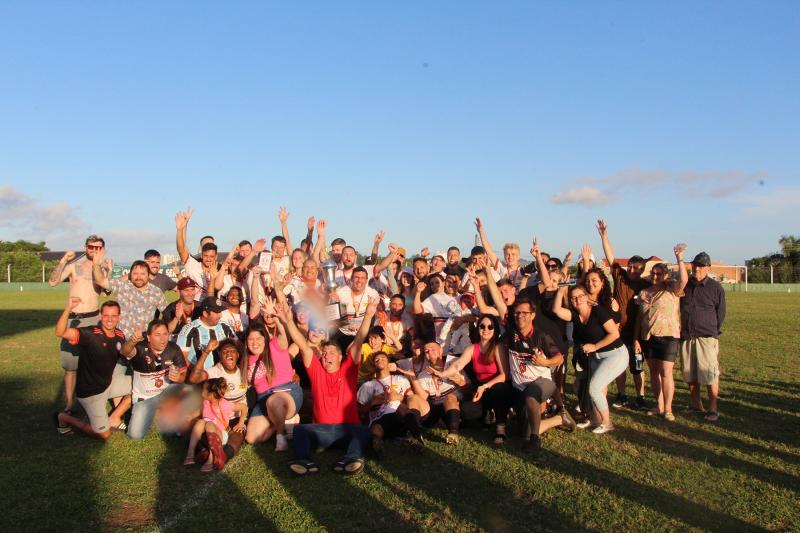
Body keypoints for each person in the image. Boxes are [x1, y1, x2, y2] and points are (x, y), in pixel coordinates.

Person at [277, 298, 377, 476]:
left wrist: (368, 314)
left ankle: (351, 459)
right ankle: (304, 462)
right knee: (300, 430)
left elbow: (360, 338)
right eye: (324, 353)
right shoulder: (317, 370)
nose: (326, 356)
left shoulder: (349, 369)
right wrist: (288, 321)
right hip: (321, 431)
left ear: (340, 358)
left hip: (347, 430)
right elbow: (302, 343)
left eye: (331, 353)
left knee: (363, 431)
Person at [48, 234, 111, 414]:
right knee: (70, 366)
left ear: (103, 249)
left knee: (95, 363)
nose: (94, 250)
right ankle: (69, 404)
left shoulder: (102, 269)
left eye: (98, 248)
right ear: (85, 247)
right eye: (91, 247)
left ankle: (93, 402)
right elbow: (53, 282)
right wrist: (62, 261)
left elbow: (106, 293)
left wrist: (109, 269)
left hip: (94, 319)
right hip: (74, 319)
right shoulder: (74, 266)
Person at [553, 285, 628, 434]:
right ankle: (594, 419)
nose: (577, 299)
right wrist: (561, 290)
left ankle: (607, 423)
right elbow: (556, 310)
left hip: (615, 354)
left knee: (595, 388)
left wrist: (595, 346)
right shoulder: (575, 316)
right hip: (596, 357)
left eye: (580, 296)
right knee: (580, 386)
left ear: (587, 298)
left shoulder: (598, 312)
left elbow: (614, 334)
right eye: (573, 297)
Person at [53, 299, 131, 440]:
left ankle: (114, 418)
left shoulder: (120, 335)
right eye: (106, 315)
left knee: (141, 384)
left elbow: (126, 355)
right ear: (100, 316)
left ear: (119, 317)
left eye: (114, 316)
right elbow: (60, 332)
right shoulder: (89, 334)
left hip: (108, 385)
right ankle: (64, 418)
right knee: (104, 435)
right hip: (90, 393)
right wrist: (68, 308)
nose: (110, 319)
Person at [503, 298, 574, 453]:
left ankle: (535, 440)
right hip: (520, 387)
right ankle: (560, 418)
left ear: (533, 315)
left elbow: (559, 358)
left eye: (524, 312)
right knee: (523, 432)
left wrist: (543, 362)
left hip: (543, 383)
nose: (520, 316)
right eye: (517, 313)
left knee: (531, 397)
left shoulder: (542, 336)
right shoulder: (511, 333)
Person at [430, 314, 513, 444]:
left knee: (499, 389)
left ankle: (500, 429)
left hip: (497, 385)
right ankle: (486, 414)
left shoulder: (498, 347)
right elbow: (457, 365)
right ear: (478, 328)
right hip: (480, 386)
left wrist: (485, 386)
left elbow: (504, 375)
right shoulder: (472, 348)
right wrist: (442, 374)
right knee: (468, 411)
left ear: (495, 329)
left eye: (490, 327)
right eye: (482, 326)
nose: (486, 329)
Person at [597, 220, 651, 409]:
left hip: (636, 333)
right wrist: (604, 237)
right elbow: (611, 257)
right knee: (619, 366)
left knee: (637, 366)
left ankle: (640, 396)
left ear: (643, 269)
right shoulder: (620, 277)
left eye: (637, 268)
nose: (633, 270)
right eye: (631, 266)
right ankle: (621, 395)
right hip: (617, 331)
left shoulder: (646, 285)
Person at [637, 247, 688, 421]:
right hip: (649, 337)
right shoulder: (644, 293)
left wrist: (679, 259)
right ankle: (658, 405)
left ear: (665, 275)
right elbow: (639, 317)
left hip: (668, 336)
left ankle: (668, 408)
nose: (655, 276)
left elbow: (683, 281)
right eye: (653, 273)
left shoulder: (671, 289)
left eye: (659, 273)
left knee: (666, 371)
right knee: (653, 371)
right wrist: (637, 338)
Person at [241, 317, 304, 451]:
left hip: (287, 391)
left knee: (274, 401)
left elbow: (282, 334)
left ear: (265, 339)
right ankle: (282, 422)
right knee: (252, 438)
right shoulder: (246, 360)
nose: (255, 342)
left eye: (258, 338)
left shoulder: (274, 346)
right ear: (246, 342)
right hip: (263, 398)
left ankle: (280, 437)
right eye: (251, 339)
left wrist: (277, 319)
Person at [120, 320, 188, 440]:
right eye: (157, 335)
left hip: (167, 394)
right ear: (149, 337)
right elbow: (124, 351)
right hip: (145, 397)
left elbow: (183, 375)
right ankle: (152, 412)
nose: (163, 339)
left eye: (165, 334)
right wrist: (132, 341)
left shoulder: (174, 348)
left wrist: (179, 378)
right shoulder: (140, 348)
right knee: (135, 435)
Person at [680, 252, 726, 422]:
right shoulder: (686, 285)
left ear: (708, 268)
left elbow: (720, 314)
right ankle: (696, 404)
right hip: (687, 336)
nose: (696, 269)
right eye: (694, 265)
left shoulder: (716, 288)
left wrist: (710, 330)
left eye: (700, 266)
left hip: (706, 336)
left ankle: (713, 408)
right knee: (689, 373)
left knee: (709, 374)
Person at [396, 341, 467, 445]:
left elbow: (469, 389)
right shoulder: (424, 373)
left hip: (453, 408)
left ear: (441, 350)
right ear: (425, 356)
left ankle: (453, 433)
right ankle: (412, 432)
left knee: (450, 397)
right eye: (427, 351)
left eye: (433, 349)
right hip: (434, 409)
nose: (430, 352)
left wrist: (459, 381)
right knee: (413, 398)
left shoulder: (453, 363)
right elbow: (423, 397)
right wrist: (413, 379)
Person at [91, 254, 168, 338]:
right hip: (120, 339)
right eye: (135, 273)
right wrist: (96, 264)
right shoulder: (122, 286)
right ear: (130, 274)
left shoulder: (156, 292)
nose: (139, 277)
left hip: (143, 341)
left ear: (148, 275)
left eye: (142, 274)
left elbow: (167, 313)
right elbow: (100, 281)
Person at [356, 351, 416, 458]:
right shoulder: (367, 386)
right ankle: (377, 445)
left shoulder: (401, 379)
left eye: (383, 358)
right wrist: (372, 403)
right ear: (373, 366)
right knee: (376, 429)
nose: (380, 360)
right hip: (380, 420)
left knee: (402, 407)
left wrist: (399, 397)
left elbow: (412, 400)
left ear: (389, 363)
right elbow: (360, 411)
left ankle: (416, 437)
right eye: (376, 360)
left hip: (399, 416)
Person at [184, 377, 247, 472]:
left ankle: (211, 458)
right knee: (201, 422)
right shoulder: (205, 402)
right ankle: (190, 453)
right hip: (205, 431)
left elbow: (244, 407)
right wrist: (190, 416)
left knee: (208, 424)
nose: (202, 389)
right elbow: (200, 412)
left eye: (204, 388)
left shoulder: (225, 404)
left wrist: (241, 423)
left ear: (211, 394)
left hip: (221, 435)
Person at [176, 297, 236, 370]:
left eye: (220, 312)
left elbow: (237, 348)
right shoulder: (189, 329)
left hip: (223, 375)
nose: (220, 315)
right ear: (205, 313)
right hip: (200, 377)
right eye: (216, 312)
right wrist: (196, 372)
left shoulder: (225, 327)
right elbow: (181, 358)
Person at [333, 266, 380, 352]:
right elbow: (333, 318)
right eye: (356, 277)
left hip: (364, 334)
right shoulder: (341, 293)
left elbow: (376, 317)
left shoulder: (373, 294)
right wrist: (347, 326)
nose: (359, 281)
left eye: (362, 278)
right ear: (351, 279)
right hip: (344, 333)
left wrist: (364, 327)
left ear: (366, 280)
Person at [175, 209, 218, 301]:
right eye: (206, 256)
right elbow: (181, 249)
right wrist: (180, 230)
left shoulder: (220, 270)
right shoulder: (193, 265)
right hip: (192, 306)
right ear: (202, 255)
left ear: (216, 256)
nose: (208, 259)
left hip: (209, 309)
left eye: (211, 256)